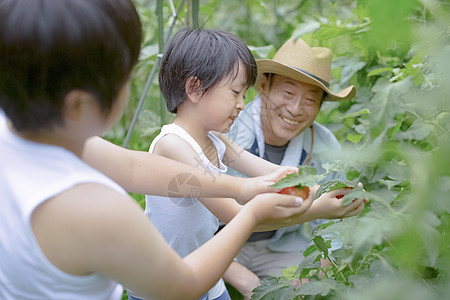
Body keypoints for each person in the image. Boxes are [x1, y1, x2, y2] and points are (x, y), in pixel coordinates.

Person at [0, 1, 315, 299]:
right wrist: (253, 213)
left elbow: (134, 167)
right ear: (79, 105)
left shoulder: (16, 133)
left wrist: (243, 187)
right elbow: (182, 285)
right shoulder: (99, 210)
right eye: (126, 75)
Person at [136, 28, 366, 300]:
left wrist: (330, 188)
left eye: (243, 94)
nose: (242, 104)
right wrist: (318, 209)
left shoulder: (218, 139)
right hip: (164, 282)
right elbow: (237, 217)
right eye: (235, 93)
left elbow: (272, 173)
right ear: (195, 89)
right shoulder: (173, 146)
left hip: (206, 275)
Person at [223, 37, 360, 297]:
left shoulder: (324, 144)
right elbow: (195, 219)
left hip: (279, 246)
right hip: (220, 240)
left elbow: (333, 227)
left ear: (321, 106)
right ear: (264, 86)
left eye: (310, 100)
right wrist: (239, 275)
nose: (296, 109)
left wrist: (318, 269)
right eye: (287, 92)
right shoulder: (230, 130)